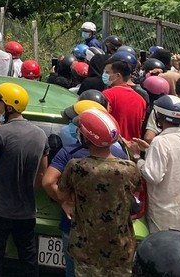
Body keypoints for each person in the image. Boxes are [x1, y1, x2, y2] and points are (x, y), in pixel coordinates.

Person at [56, 109, 140, 277]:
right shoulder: (130, 168)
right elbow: (135, 195)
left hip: (86, 250)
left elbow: (62, 194)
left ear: (86, 138)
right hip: (120, 250)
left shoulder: (76, 166)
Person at [0, 83, 48, 277]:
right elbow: (42, 172)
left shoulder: (1, 133)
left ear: (8, 107)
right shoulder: (40, 135)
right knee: (28, 257)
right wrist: (29, 191)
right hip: (26, 211)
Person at [125, 94, 180, 234]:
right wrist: (148, 150)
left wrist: (136, 156)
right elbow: (175, 161)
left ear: (158, 117)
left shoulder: (160, 142)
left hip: (165, 212)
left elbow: (153, 176)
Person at [102, 59, 146, 141]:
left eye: (107, 73)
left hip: (113, 144)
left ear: (118, 75)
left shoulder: (108, 94)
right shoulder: (141, 100)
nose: (104, 75)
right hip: (132, 147)